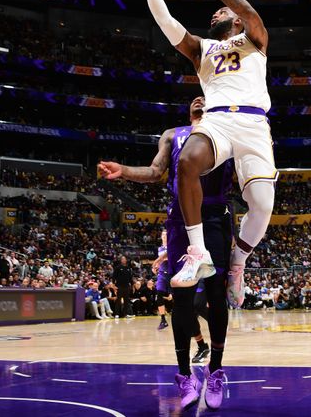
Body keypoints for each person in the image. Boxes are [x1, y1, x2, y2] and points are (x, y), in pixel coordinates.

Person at [134, 0, 276, 319]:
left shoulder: (254, 40)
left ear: (233, 18)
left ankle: (238, 261)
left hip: (252, 124)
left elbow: (250, 11)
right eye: (214, 11)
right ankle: (197, 252)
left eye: (222, 11)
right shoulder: (202, 48)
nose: (216, 14)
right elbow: (166, 23)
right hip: (217, 120)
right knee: (187, 161)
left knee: (262, 205)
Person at [99, 96, 232, 409]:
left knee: (215, 295)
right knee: (182, 297)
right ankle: (186, 375)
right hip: (179, 219)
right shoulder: (173, 134)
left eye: (206, 96)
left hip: (214, 215)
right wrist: (125, 171)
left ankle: (215, 370)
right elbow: (156, 170)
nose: (199, 98)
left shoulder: (227, 131)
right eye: (194, 97)